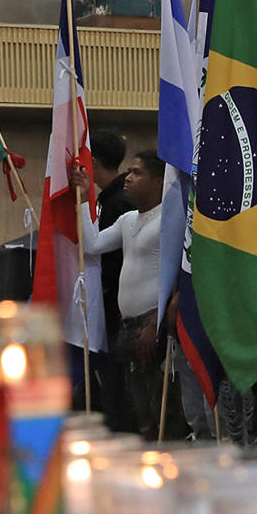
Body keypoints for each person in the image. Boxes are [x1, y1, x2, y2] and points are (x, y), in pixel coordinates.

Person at [73, 151, 182, 441]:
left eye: (136, 172)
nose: (128, 178)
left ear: (159, 181)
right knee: (139, 411)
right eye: (128, 171)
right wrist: (84, 199)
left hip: (153, 324)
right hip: (128, 325)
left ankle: (170, 466)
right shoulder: (127, 219)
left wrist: (156, 324)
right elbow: (91, 245)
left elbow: (179, 272)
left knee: (164, 410)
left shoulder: (171, 218)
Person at [90, 128, 134, 429]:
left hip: (119, 309)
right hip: (113, 304)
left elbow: (111, 257)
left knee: (119, 386)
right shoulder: (111, 200)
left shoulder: (119, 203)